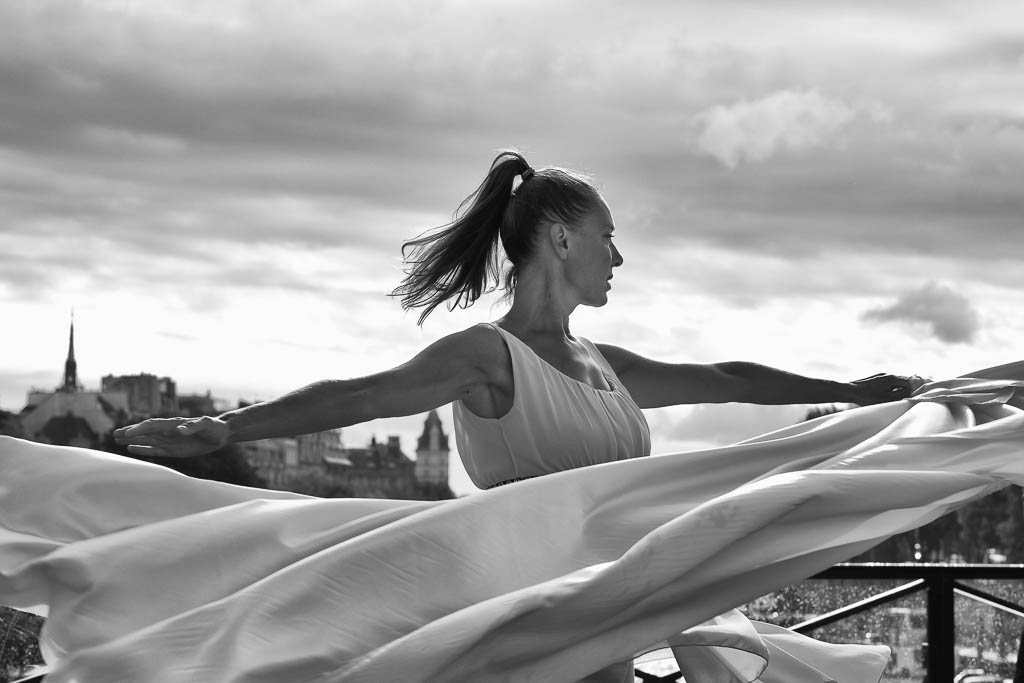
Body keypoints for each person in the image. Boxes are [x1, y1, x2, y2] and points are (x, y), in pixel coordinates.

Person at [106, 150, 918, 681]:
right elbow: (360, 396)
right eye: (608, 237)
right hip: (534, 622)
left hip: (614, 611)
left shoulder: (603, 362)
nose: (619, 256)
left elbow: (724, 378)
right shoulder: (489, 357)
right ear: (561, 240)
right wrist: (230, 428)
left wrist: (850, 390)